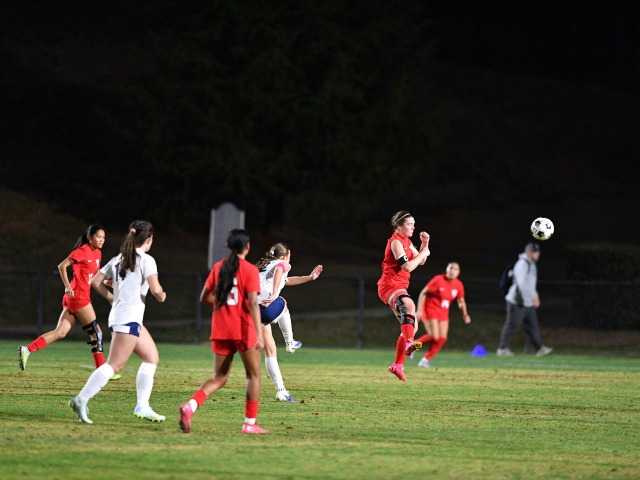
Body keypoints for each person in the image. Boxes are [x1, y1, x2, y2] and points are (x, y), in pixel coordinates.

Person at [69, 220, 167, 424]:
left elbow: (96, 281)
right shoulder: (146, 259)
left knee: (151, 357)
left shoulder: (119, 258)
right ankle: (81, 399)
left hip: (127, 317)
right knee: (115, 365)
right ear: (149, 239)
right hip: (128, 318)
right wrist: (161, 295)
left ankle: (143, 406)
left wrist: (111, 297)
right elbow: (156, 290)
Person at [179, 229, 268, 434]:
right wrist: (259, 333)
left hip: (221, 328)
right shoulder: (249, 270)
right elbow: (253, 303)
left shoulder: (219, 267)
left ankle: (190, 406)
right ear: (247, 247)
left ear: (228, 246)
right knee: (253, 376)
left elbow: (204, 297)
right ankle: (249, 423)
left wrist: (225, 305)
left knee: (219, 377)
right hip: (243, 329)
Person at [18, 225, 111, 373]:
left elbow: (94, 275)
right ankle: (102, 372)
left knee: (60, 332)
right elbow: (62, 266)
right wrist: (67, 286)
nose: (101, 240)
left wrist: (106, 282)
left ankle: (27, 349)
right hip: (78, 297)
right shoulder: (82, 251)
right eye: (98, 237)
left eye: (103, 237)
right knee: (96, 333)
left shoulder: (98, 253)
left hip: (74, 298)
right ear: (90, 237)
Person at [255, 243, 323, 402]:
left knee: (270, 349)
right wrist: (273, 295)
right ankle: (290, 342)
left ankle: (281, 391)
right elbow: (280, 270)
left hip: (252, 310)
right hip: (265, 307)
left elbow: (286, 280)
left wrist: (309, 277)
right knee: (283, 302)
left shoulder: (263, 265)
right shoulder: (282, 263)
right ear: (285, 256)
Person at [377, 210, 431, 381]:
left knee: (412, 327)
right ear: (399, 226)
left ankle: (397, 365)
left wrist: (424, 244)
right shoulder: (396, 242)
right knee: (409, 305)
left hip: (399, 286)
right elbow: (407, 267)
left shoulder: (407, 241)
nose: (413, 227)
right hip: (389, 285)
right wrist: (423, 253)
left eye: (414, 224)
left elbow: (421, 261)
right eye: (410, 224)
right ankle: (409, 342)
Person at [496, 242, 553, 357]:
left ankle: (540, 348)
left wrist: (535, 296)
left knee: (532, 325)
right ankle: (502, 348)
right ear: (529, 252)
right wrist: (531, 297)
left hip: (528, 301)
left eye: (538, 252)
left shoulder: (532, 264)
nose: (538, 254)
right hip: (517, 301)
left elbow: (531, 284)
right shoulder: (522, 264)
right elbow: (521, 283)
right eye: (535, 252)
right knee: (513, 324)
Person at [414, 262, 471, 368]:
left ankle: (425, 360)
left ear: (459, 272)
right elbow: (423, 293)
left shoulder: (458, 285)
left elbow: (461, 300)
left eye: (455, 269)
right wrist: (419, 310)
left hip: (443, 312)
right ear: (446, 269)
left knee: (442, 338)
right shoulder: (438, 280)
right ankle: (413, 347)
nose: (452, 271)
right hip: (430, 309)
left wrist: (465, 314)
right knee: (434, 336)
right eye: (451, 268)